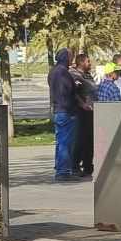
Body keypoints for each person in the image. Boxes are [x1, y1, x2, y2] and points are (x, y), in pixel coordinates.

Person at [48, 47, 77, 180]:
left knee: (60, 141)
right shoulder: (63, 72)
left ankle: (60, 167)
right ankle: (63, 172)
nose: (72, 59)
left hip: (58, 110)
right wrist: (75, 85)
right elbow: (66, 91)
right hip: (65, 110)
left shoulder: (53, 71)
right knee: (65, 142)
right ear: (65, 58)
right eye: (70, 57)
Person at [72, 52, 97, 177]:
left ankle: (88, 166)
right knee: (80, 140)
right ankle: (75, 166)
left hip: (91, 112)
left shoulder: (87, 75)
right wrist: (82, 104)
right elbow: (74, 93)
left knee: (89, 140)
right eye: (88, 61)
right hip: (81, 113)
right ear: (81, 62)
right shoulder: (75, 75)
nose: (90, 63)